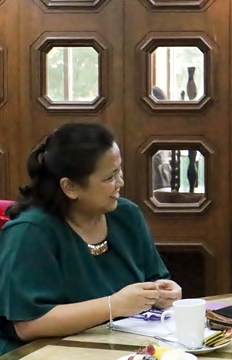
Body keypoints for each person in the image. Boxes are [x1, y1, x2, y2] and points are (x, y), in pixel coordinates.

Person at [0, 122, 182, 355]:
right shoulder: (30, 232)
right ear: (70, 187)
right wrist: (112, 305)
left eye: (119, 170)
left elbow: (155, 277)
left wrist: (165, 293)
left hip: (123, 348)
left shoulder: (127, 215)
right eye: (109, 177)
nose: (121, 183)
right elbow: (27, 325)